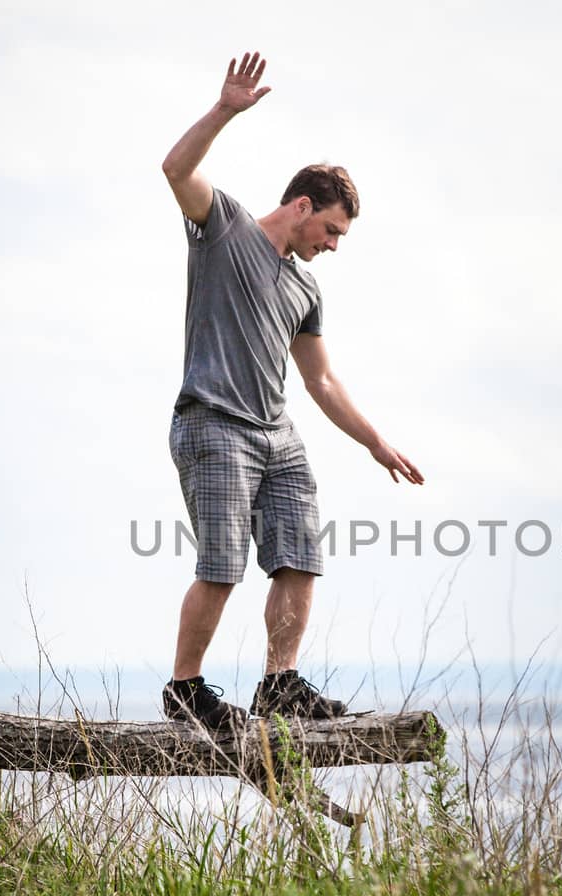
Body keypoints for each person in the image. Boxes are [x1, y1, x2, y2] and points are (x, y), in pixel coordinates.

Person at [159, 51, 424, 729]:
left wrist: (376, 443)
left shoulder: (306, 288)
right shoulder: (226, 230)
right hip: (214, 422)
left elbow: (322, 379)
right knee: (222, 565)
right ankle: (184, 689)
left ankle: (279, 685)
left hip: (275, 433)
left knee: (299, 555)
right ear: (303, 206)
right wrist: (225, 109)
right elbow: (176, 170)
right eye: (331, 229)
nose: (334, 244)